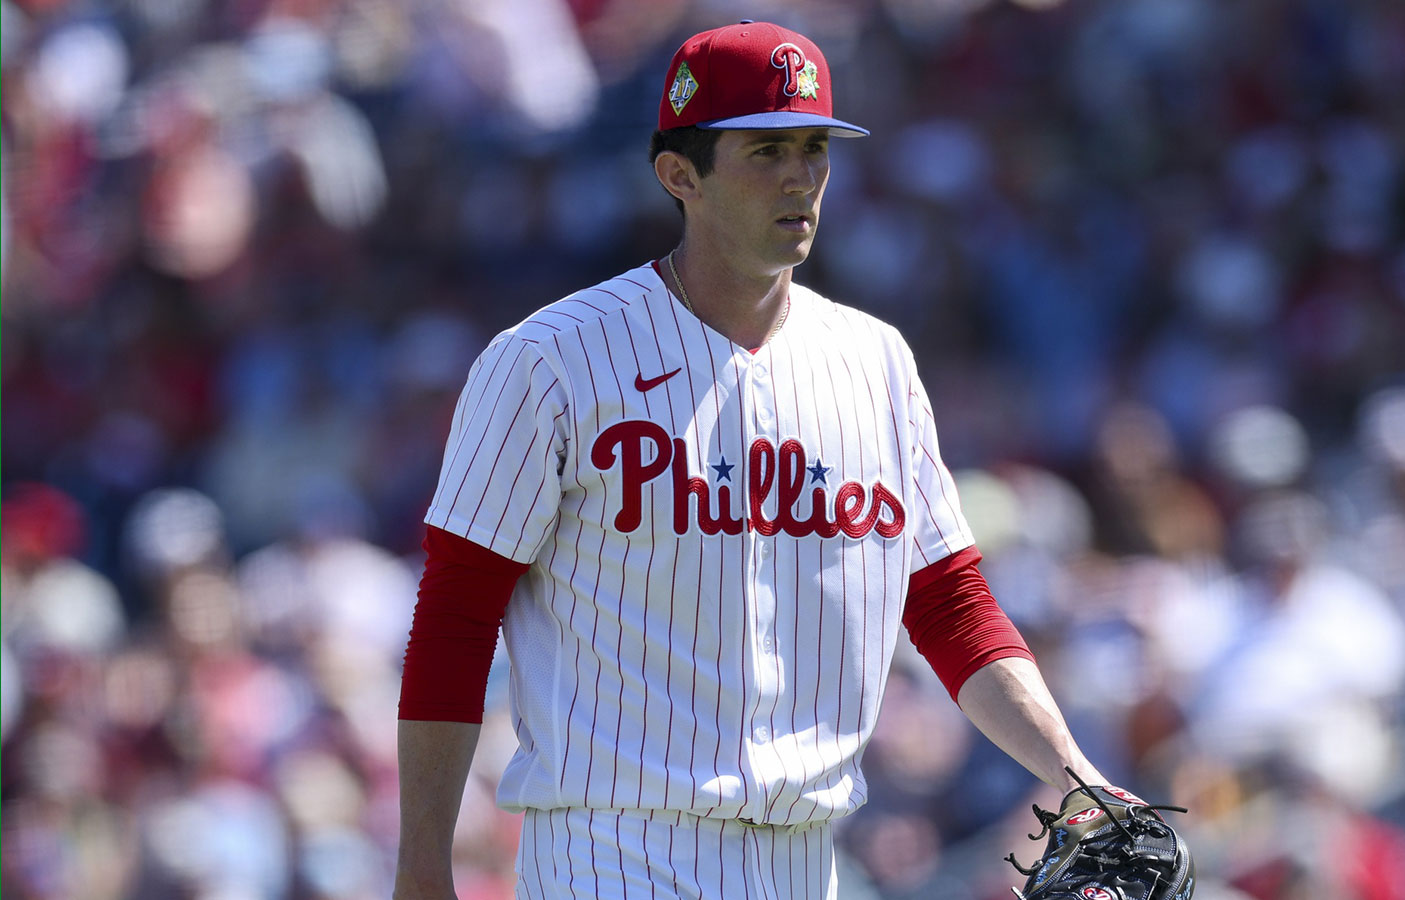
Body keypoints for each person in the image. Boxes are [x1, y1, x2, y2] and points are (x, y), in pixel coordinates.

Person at [394, 20, 1108, 900]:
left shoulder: (877, 362)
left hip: (808, 860)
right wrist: (422, 866)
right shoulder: (550, 360)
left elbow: (950, 605)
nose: (801, 176)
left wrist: (1080, 775)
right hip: (612, 852)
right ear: (678, 174)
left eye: (816, 149)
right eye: (766, 150)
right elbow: (456, 619)